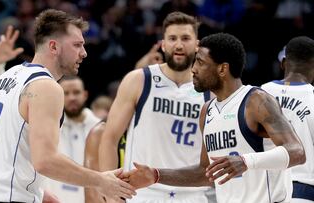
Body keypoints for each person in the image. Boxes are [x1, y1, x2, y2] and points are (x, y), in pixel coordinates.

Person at [0, 9, 135, 203]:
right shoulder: (46, 87)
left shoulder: (10, 74)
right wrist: (100, 180)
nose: (84, 53)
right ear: (53, 47)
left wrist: (37, 192)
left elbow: (9, 146)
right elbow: (45, 161)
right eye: (77, 45)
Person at [123, 33, 306, 203]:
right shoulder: (207, 111)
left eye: (200, 62)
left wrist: (246, 161)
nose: (193, 69)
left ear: (222, 69)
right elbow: (205, 173)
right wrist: (156, 175)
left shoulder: (256, 100)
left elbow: (297, 152)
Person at [99, 11, 212, 203]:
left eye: (185, 38)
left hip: (192, 195)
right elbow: (110, 138)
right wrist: (110, 191)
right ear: (163, 43)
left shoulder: (210, 91)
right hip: (143, 193)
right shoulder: (139, 80)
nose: (178, 44)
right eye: (172, 38)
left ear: (197, 44)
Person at [261, 36, 314, 203]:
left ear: (283, 63)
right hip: (302, 188)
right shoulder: (312, 97)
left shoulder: (259, 93)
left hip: (264, 187)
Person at [42, 75, 100, 203]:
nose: (72, 97)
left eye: (76, 92)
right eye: (66, 93)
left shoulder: (99, 128)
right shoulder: (48, 125)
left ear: (85, 95)